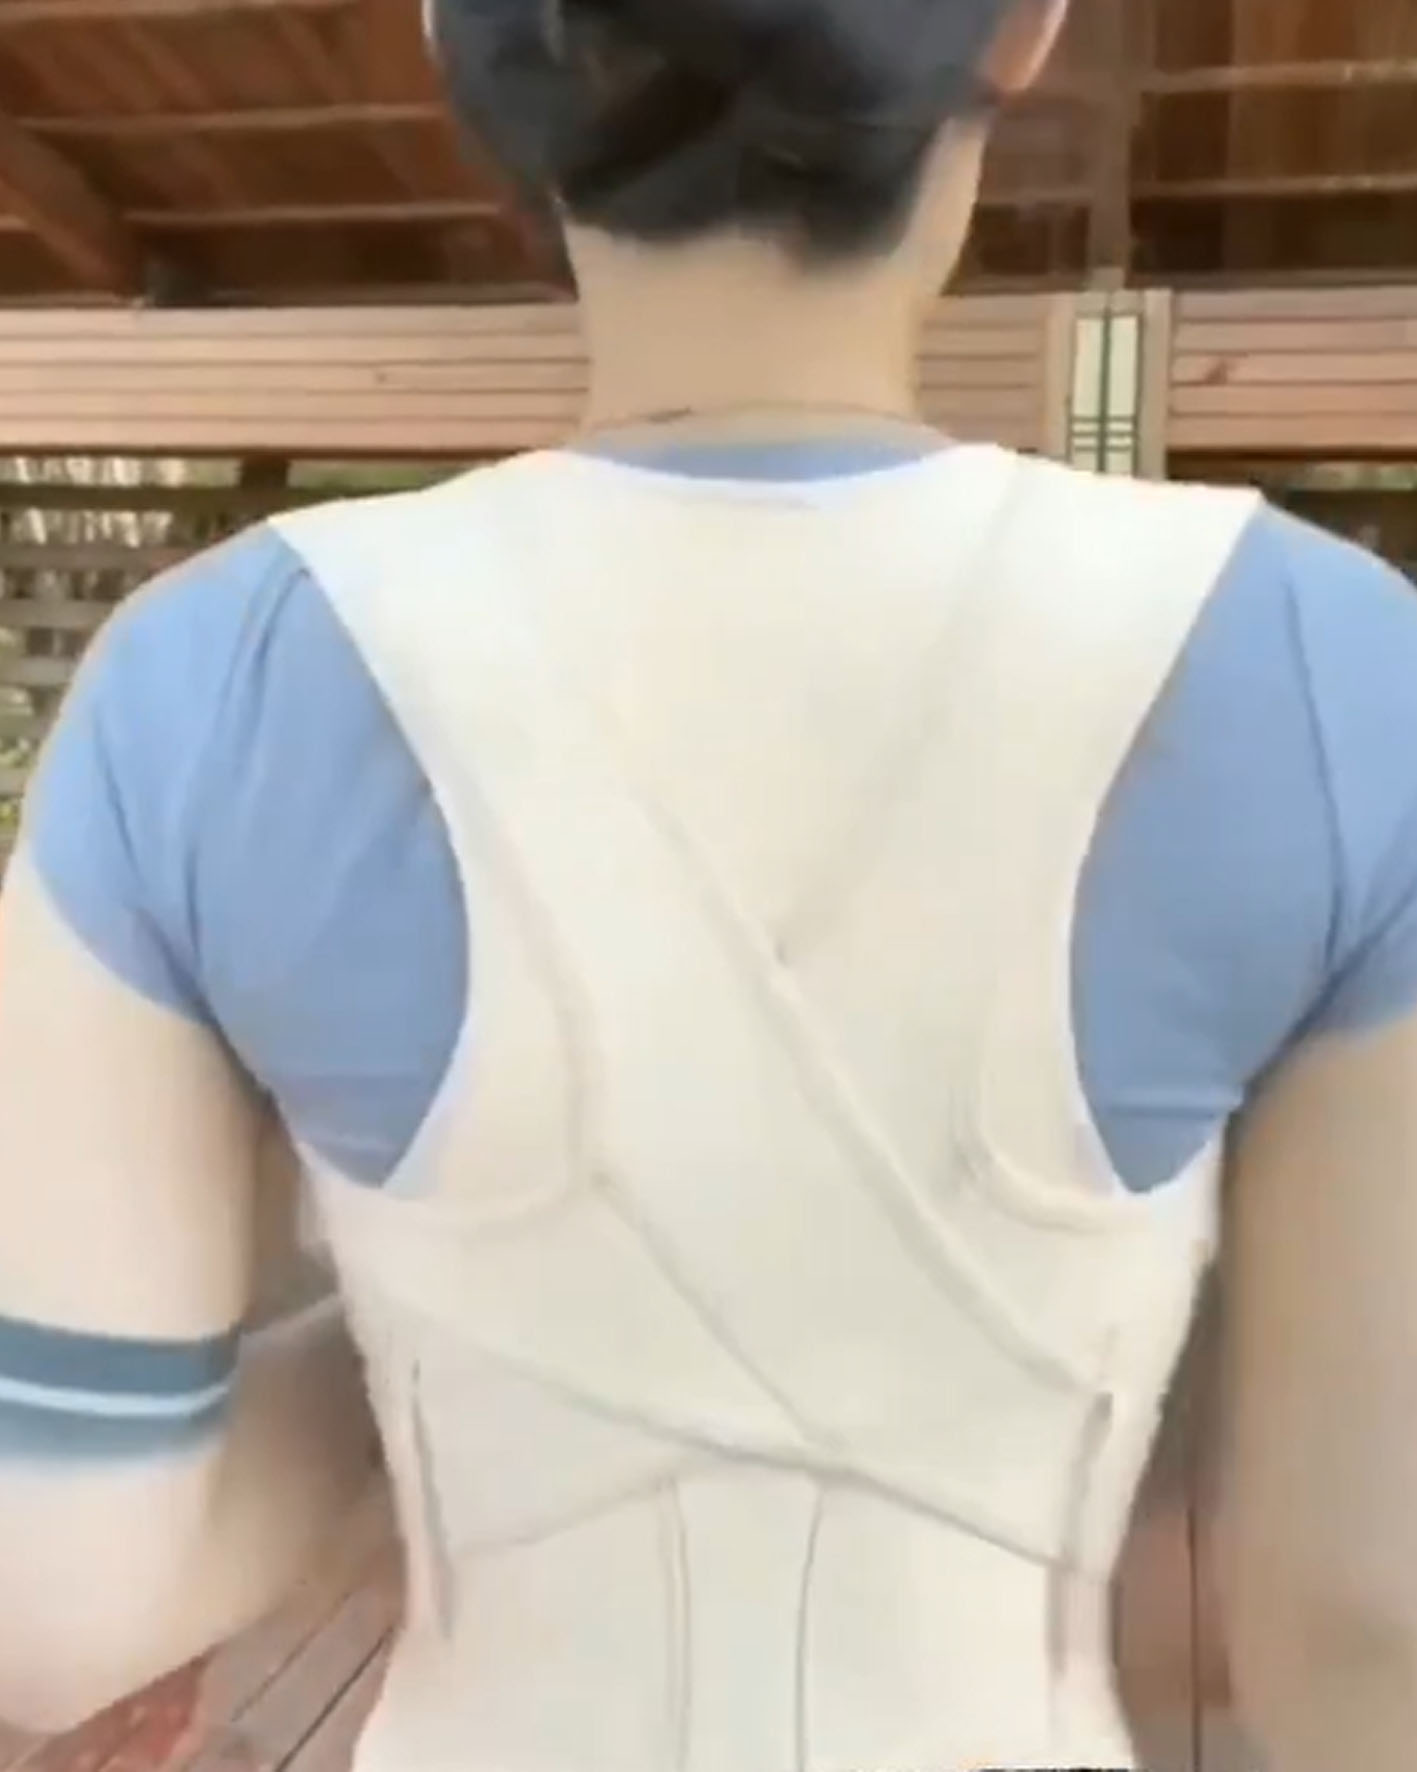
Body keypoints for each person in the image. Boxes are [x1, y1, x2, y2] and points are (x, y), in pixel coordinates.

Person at [2, 0, 1417, 1766]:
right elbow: (1373, 1618)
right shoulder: (1331, 667)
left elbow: (53, 1590)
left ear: (459, 35)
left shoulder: (207, 681)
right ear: (1023, 29)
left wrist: (454, 1358)